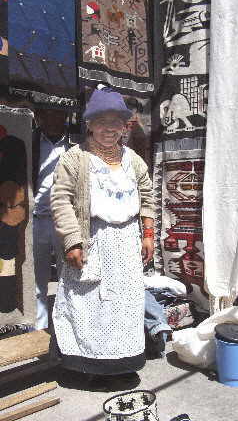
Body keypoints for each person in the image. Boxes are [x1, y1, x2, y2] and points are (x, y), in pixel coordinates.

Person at [50, 88, 154, 389]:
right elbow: (60, 200)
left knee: (125, 305)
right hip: (93, 241)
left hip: (126, 244)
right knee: (89, 304)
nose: (109, 129)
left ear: (125, 126)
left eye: (116, 122)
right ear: (90, 125)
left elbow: (146, 195)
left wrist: (147, 233)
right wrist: (72, 240)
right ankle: (86, 368)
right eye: (102, 122)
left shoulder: (132, 160)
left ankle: (121, 364)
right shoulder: (75, 159)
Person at [32, 108, 71, 330]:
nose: (53, 119)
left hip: (65, 220)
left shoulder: (75, 142)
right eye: (49, 115)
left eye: (58, 114)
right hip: (37, 220)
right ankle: (39, 329)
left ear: (65, 117)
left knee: (69, 276)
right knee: (38, 279)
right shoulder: (31, 140)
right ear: (40, 117)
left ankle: (64, 327)